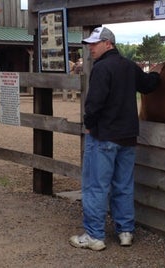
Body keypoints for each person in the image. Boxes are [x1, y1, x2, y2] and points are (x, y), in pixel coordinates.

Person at [69, 27, 160, 251]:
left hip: (104, 136)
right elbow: (148, 85)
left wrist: (89, 125)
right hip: (127, 137)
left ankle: (94, 235)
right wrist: (158, 73)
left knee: (95, 186)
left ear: (108, 43)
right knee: (124, 185)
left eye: (94, 44)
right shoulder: (129, 66)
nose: (90, 48)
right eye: (90, 44)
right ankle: (125, 231)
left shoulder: (101, 68)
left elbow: (94, 103)